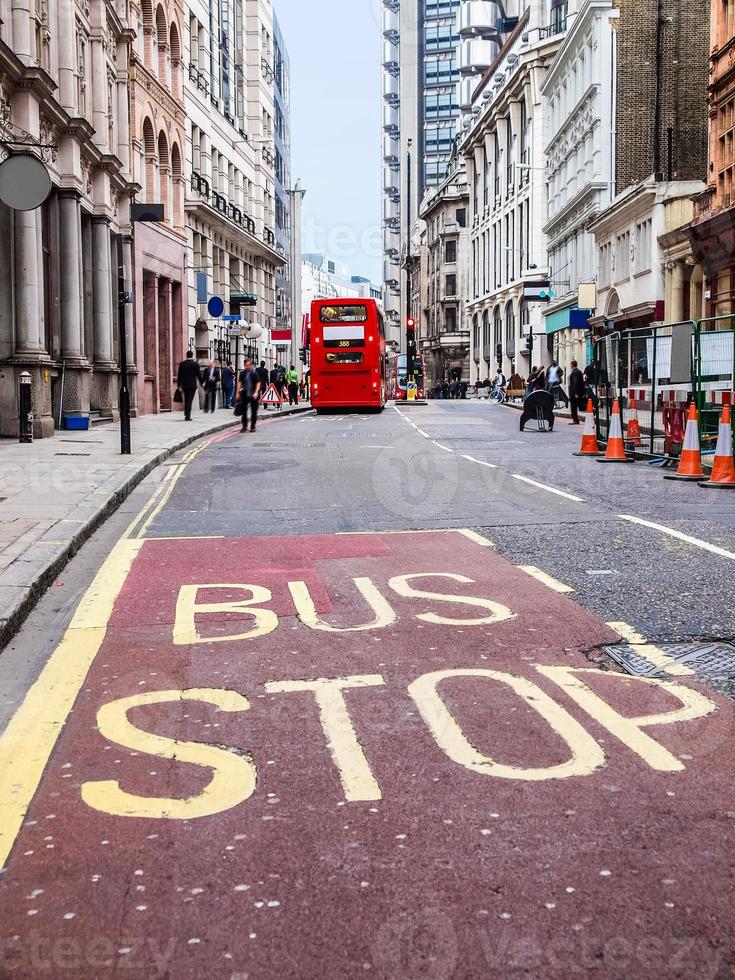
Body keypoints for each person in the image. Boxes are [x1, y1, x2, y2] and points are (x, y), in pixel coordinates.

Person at [237, 357, 261, 433]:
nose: (247, 367)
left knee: (254, 411)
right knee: (244, 411)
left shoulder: (255, 373)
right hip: (244, 394)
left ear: (252, 365)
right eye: (246, 365)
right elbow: (239, 382)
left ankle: (252, 426)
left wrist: (256, 392)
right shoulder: (242, 373)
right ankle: (244, 426)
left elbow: (258, 383)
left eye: (249, 365)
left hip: (253, 395)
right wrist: (237, 393)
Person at [176, 351, 201, 421]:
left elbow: (179, 376)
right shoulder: (195, 364)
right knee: (190, 400)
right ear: (192, 355)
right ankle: (187, 415)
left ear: (186, 355)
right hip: (192, 385)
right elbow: (199, 375)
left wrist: (179, 386)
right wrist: (202, 383)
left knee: (187, 399)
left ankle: (186, 413)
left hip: (184, 385)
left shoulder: (182, 364)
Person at [568, 360, 585, 425]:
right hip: (579, 392)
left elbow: (575, 383)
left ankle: (575, 420)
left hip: (574, 393)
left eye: (571, 364)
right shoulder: (579, 372)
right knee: (579, 405)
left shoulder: (575, 372)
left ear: (572, 365)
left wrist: (575, 393)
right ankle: (575, 419)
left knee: (573, 407)